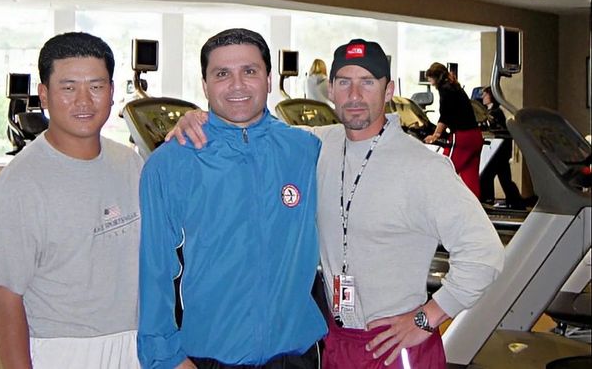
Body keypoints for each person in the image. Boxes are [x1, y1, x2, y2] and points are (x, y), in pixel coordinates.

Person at [169, 38, 505, 369]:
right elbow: (254, 129)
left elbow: (485, 254)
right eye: (344, 82)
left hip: (393, 346)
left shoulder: (424, 168)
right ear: (330, 90)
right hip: (337, 341)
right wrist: (201, 120)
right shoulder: (314, 146)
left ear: (388, 91)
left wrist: (427, 318)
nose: (355, 95)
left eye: (367, 82)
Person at [137, 28, 326, 369]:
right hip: (207, 357)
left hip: (296, 356)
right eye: (222, 74)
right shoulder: (171, 163)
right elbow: (155, 270)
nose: (237, 85)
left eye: (249, 71)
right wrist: (165, 358)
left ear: (269, 79)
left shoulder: (306, 151)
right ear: (205, 84)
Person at [0, 32, 143, 369]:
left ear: (111, 92)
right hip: (62, 349)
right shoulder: (19, 185)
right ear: (45, 95)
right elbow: (5, 296)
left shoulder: (131, 163)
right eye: (68, 88)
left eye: (96, 86)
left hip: (135, 341)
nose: (84, 101)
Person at [424, 62, 483, 198]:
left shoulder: (445, 89)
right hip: (475, 136)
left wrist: (436, 135)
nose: (431, 83)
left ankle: (435, 205)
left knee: (443, 171)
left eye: (431, 79)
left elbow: (446, 115)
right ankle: (472, 211)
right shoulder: (455, 87)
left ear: (436, 77)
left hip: (462, 137)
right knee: (470, 178)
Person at [479, 86, 525, 208]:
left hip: (498, 151)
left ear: (491, 96)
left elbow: (496, 129)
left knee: (487, 175)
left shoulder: (495, 113)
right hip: (499, 151)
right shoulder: (489, 111)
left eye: (485, 94)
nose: (483, 97)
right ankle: (516, 201)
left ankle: (487, 200)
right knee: (505, 178)